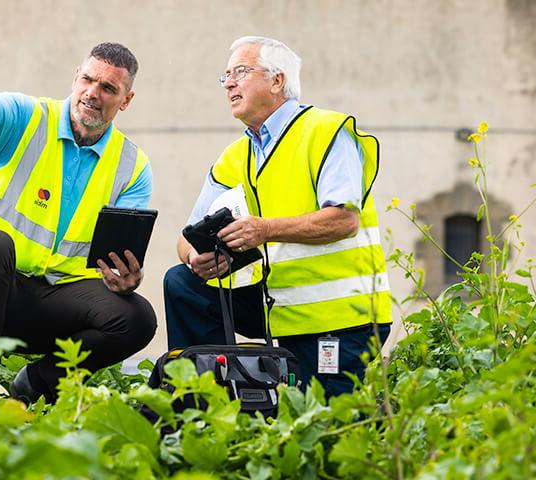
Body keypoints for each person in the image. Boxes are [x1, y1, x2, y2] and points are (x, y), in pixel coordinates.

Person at [0, 34, 157, 403]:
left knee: (138, 318)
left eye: (108, 87)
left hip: (50, 303)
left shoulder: (132, 167)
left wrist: (126, 280)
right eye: (87, 80)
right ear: (75, 77)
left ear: (126, 100)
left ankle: (34, 385)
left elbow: (118, 255)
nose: (92, 93)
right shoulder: (27, 118)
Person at [163, 36, 392, 398]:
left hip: (341, 318)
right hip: (276, 306)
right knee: (183, 282)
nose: (229, 83)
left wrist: (264, 230)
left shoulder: (326, 131)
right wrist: (197, 257)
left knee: (324, 424)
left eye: (240, 71)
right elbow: (184, 240)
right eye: (225, 76)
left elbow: (344, 220)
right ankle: (208, 400)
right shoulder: (234, 157)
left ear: (276, 80)